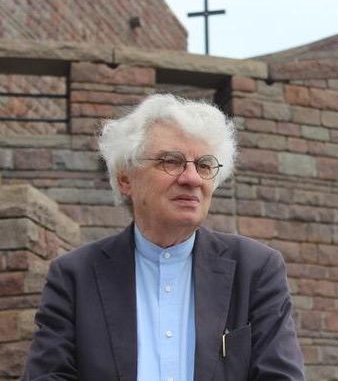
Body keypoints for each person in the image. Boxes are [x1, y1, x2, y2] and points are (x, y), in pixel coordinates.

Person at [22, 94, 305, 380]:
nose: (192, 178)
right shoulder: (74, 276)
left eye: (205, 165)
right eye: (172, 161)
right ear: (125, 179)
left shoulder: (256, 269)